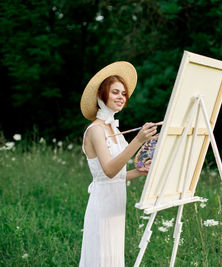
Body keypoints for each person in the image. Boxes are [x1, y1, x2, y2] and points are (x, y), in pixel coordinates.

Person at [79, 61, 157, 266]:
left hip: (116, 203)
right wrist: (138, 140)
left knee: (113, 258)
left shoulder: (114, 130)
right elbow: (109, 171)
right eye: (115, 92)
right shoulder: (96, 130)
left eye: (123, 94)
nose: (121, 97)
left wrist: (140, 171)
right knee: (101, 258)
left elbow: (118, 174)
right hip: (102, 205)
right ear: (100, 95)